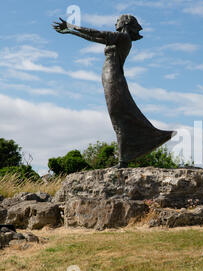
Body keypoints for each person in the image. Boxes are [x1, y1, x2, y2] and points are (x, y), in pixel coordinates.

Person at [52, 15, 176, 168]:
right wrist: (71, 32)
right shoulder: (118, 39)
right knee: (117, 116)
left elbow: (97, 33)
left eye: (117, 20)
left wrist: (72, 26)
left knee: (119, 116)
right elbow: (94, 38)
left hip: (114, 77)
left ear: (124, 23)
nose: (115, 22)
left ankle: (123, 160)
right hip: (109, 77)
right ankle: (126, 157)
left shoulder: (123, 38)